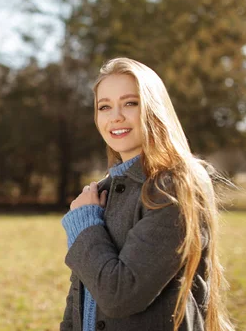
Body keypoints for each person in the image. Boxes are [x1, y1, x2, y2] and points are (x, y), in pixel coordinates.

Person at [60, 58, 234, 331]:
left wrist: (84, 225)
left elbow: (120, 295)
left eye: (130, 103)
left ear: (154, 108)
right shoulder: (105, 190)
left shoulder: (175, 184)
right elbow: (81, 294)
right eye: (104, 106)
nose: (115, 116)